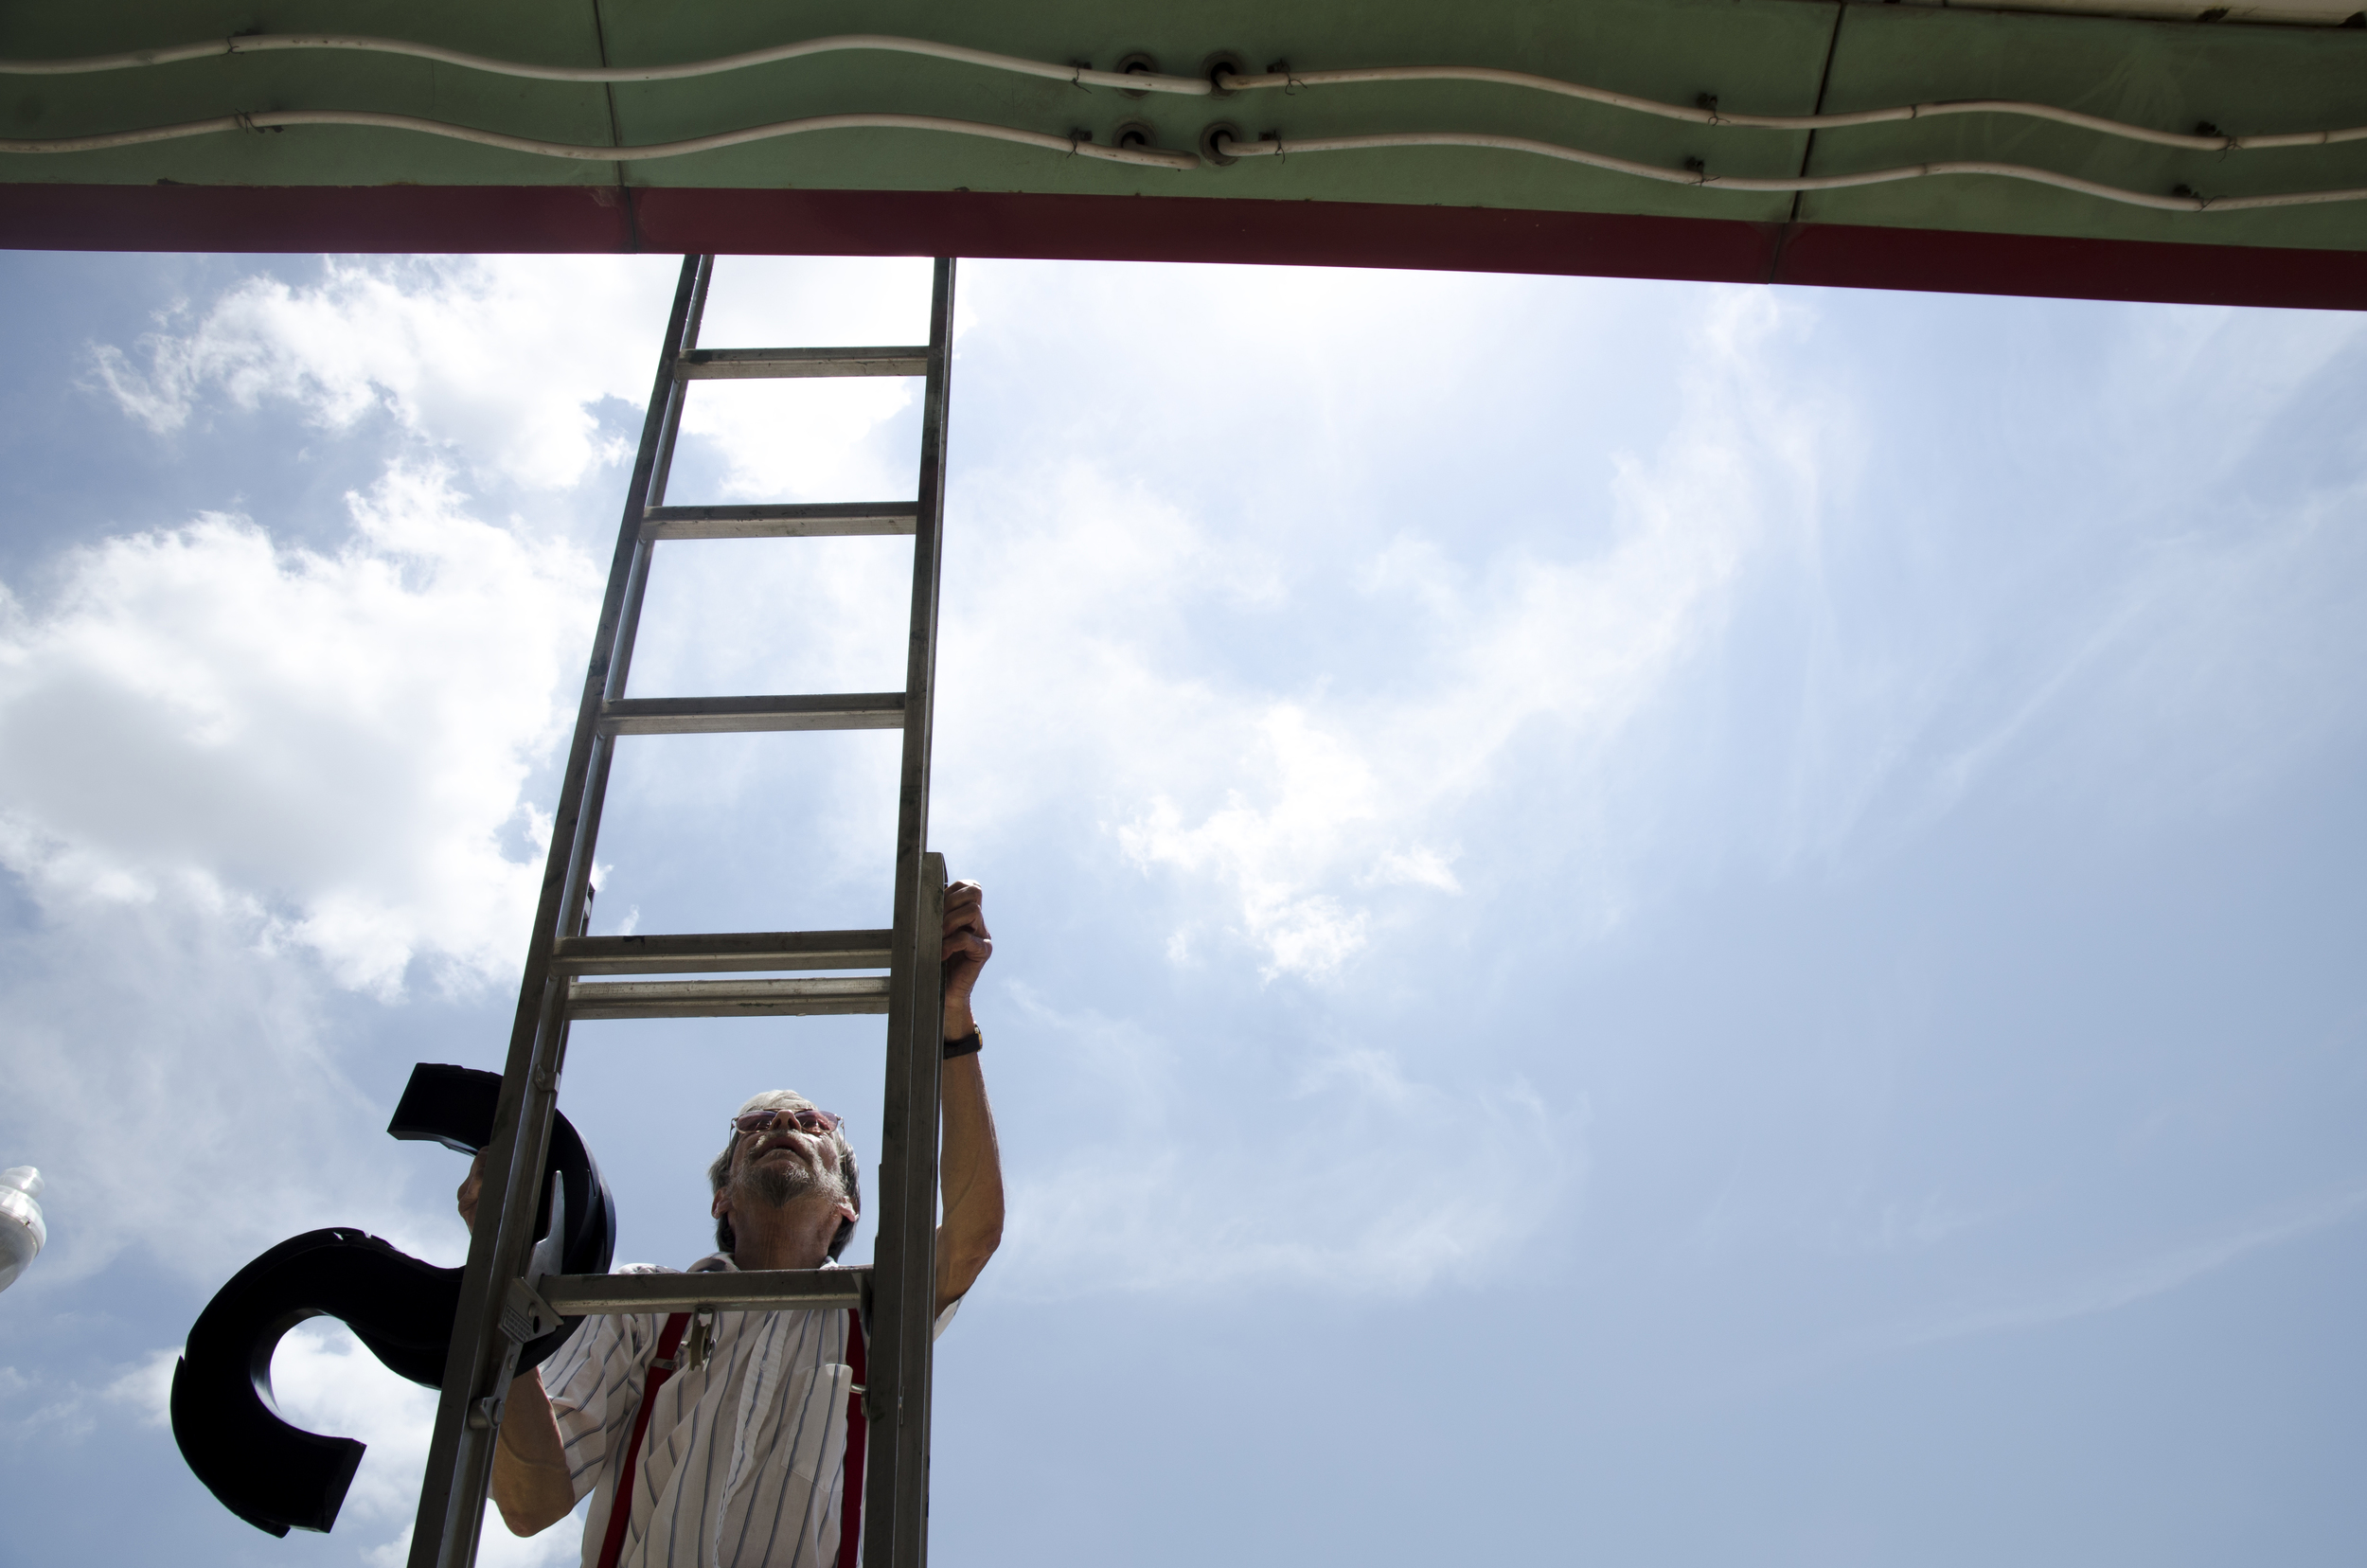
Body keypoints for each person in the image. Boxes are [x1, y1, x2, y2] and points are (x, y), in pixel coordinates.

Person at [455, 881, 1006, 1568]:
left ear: (847, 1207)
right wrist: (499, 1279)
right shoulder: (644, 1303)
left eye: (812, 1125)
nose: (782, 1124)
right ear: (721, 1200)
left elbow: (972, 1234)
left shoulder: (872, 1309)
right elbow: (532, 1499)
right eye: (756, 1125)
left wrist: (951, 1018)